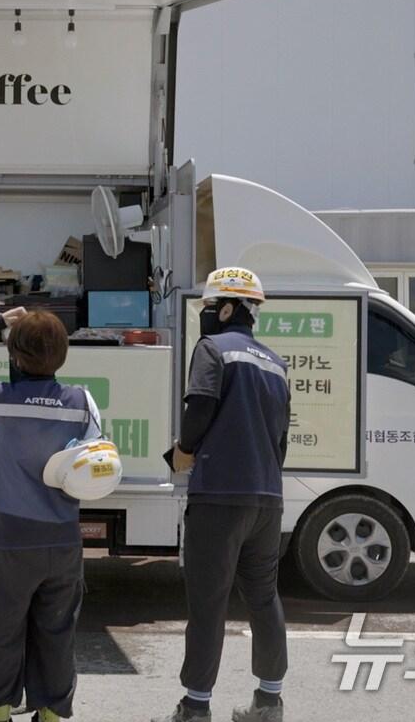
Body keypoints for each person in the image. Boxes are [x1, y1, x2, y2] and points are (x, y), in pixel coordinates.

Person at [155, 267, 291, 722]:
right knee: (263, 596)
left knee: (209, 602)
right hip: (267, 497)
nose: (206, 316)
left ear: (229, 308)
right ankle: (269, 702)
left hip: (219, 496)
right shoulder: (276, 363)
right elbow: (280, 439)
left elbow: (200, 411)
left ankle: (195, 706)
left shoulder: (212, 349)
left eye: (210, 307)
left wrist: (180, 453)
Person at [0, 308, 102, 722]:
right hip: (62, 540)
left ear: (15, 356)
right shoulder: (82, 400)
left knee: (0, 632)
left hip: (8, 540)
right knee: (56, 633)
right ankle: (52, 714)